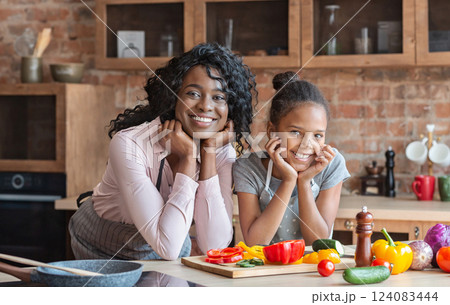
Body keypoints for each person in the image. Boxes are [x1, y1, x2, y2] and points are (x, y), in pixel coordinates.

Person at [69, 43, 257, 260]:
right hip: (102, 241)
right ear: (173, 96)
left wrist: (209, 155)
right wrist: (188, 158)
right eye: (193, 93)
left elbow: (213, 245)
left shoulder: (220, 150)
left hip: (170, 241)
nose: (206, 106)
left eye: (218, 97)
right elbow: (167, 247)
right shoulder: (130, 144)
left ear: (230, 109)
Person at [233, 71, 350, 246]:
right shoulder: (248, 168)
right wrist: (289, 181)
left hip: (314, 270)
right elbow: (255, 243)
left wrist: (303, 183)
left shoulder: (331, 164)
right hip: (265, 271)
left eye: (318, 135)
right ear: (272, 131)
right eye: (295, 132)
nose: (306, 145)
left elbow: (319, 243)